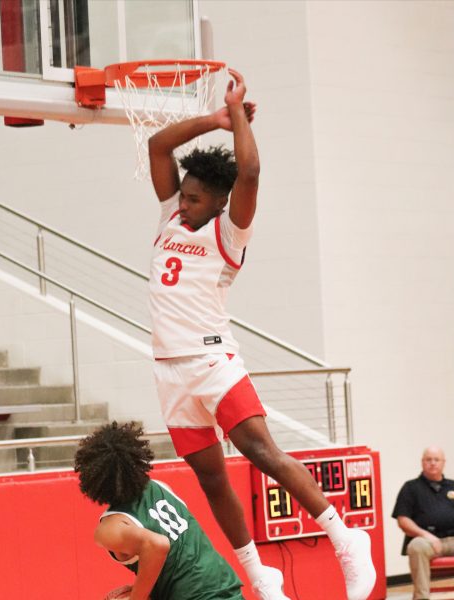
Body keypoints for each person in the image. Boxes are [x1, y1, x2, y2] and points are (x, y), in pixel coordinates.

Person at [145, 68, 376, 600]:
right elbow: (159, 146)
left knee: (260, 451)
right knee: (209, 477)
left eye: (196, 199)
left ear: (220, 202)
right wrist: (213, 119)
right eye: (184, 195)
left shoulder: (230, 235)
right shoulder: (168, 220)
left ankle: (346, 541)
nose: (185, 204)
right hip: (169, 371)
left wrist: (239, 122)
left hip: (211, 359)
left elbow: (249, 169)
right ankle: (261, 578)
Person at [74, 421, 246, 600]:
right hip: (225, 585)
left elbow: (158, 544)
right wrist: (143, 589)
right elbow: (176, 556)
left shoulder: (110, 527)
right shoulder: (160, 487)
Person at [392, 446, 454, 600]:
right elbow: (403, 520)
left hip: (452, 539)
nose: (432, 463)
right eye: (428, 459)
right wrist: (427, 536)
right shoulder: (410, 488)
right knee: (415, 546)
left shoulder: (452, 486)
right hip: (426, 542)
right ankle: (422, 598)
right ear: (422, 462)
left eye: (436, 459)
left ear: (443, 463)